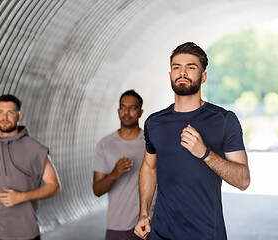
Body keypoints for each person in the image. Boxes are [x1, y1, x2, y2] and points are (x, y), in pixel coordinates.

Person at [134, 42, 251, 240]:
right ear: (170, 74)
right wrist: (144, 213)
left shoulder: (224, 120)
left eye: (191, 67)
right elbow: (149, 167)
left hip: (206, 233)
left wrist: (205, 153)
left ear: (203, 76)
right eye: (176, 67)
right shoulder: (154, 123)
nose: (182, 73)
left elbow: (243, 180)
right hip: (161, 233)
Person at [0, 94, 61, 240]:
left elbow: (54, 186)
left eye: (11, 113)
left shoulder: (36, 149)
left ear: (19, 117)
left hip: (25, 234)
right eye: (0, 112)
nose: (5, 117)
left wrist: (22, 196)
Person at [93, 90, 145, 240]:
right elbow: (97, 190)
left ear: (141, 112)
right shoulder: (105, 144)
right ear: (118, 110)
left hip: (147, 224)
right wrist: (114, 175)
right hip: (117, 226)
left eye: (132, 108)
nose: (126, 112)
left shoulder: (150, 142)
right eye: (123, 107)